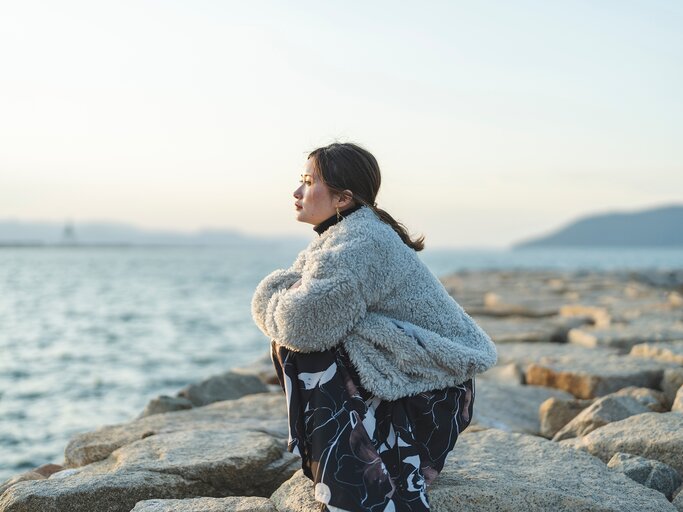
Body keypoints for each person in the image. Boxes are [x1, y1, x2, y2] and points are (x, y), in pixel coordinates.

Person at [251, 142, 497, 512]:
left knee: (309, 348)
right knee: (308, 338)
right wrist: (283, 297)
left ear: (343, 198)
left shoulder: (362, 242)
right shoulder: (344, 235)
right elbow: (297, 310)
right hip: (418, 388)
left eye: (308, 181)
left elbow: (300, 323)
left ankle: (358, 489)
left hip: (432, 402)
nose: (296, 192)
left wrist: (275, 294)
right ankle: (350, 466)